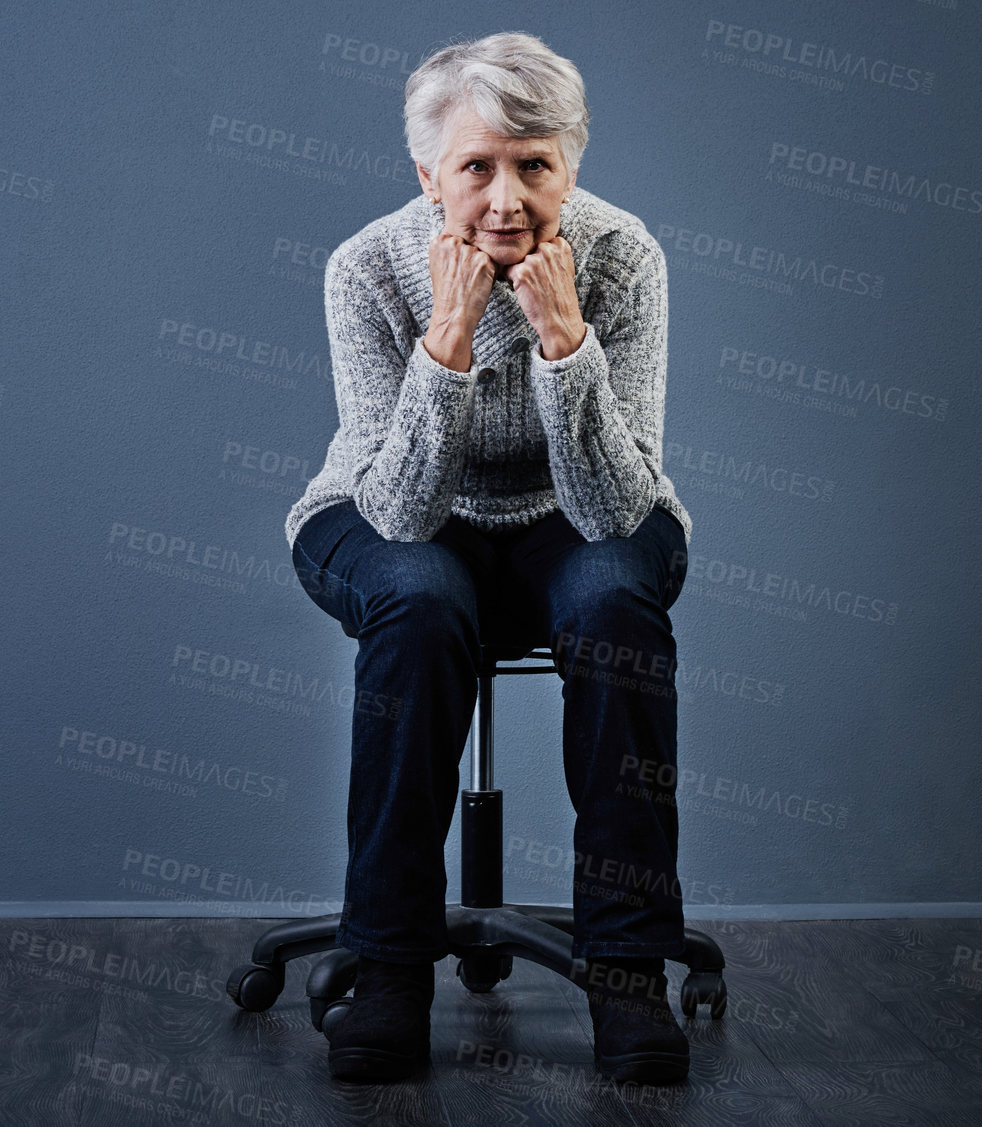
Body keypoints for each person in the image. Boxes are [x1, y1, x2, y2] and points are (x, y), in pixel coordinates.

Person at [285, 31, 694, 1085]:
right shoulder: (367, 266)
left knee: (613, 606)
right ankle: (386, 969)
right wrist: (448, 339)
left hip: (579, 507)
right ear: (430, 175)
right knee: (419, 604)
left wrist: (565, 344)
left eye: (535, 164)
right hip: (391, 506)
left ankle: (627, 968)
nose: (506, 197)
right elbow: (401, 511)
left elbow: (613, 509)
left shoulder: (622, 257)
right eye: (476, 167)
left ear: (571, 164)